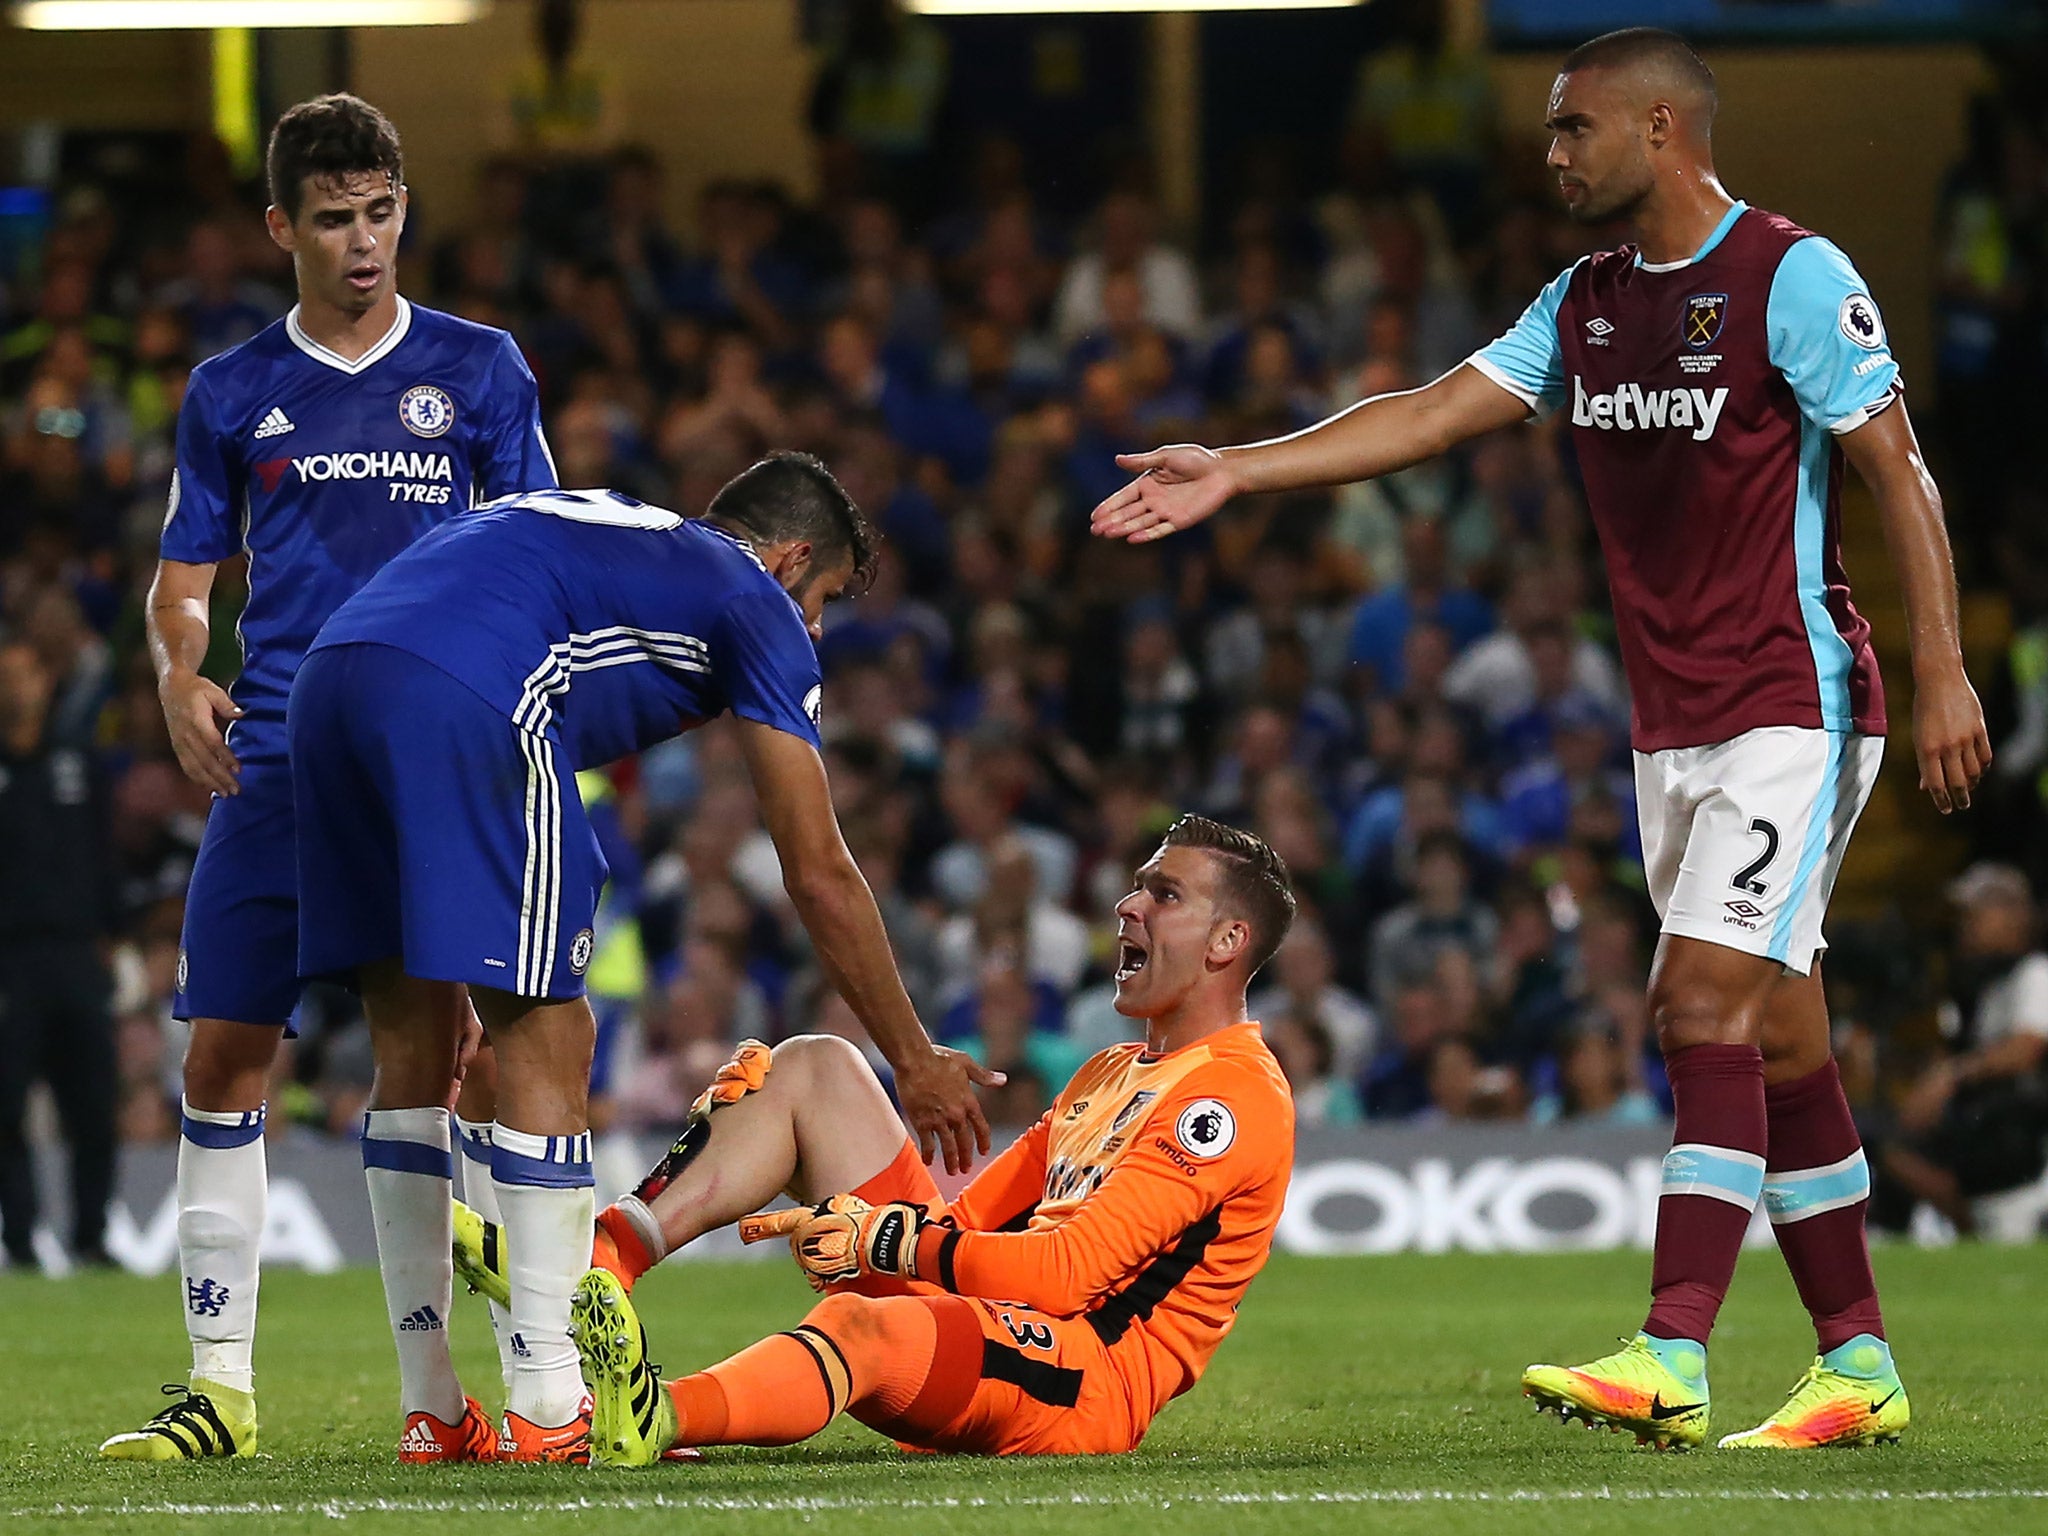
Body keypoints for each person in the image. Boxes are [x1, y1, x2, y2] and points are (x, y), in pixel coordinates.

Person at [1089, 28, 1989, 1452]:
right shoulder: (1584, 305)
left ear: (1658, 131)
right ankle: (1859, 1363)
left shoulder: (1790, 277)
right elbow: (1437, 413)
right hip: (1672, 725)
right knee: (1785, 1038)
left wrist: (1942, 669)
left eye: (1573, 130)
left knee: (1696, 1008)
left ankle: (1674, 1352)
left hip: (1794, 702)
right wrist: (1241, 471)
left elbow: (1900, 471)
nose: (1551, 153)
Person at [285, 458, 998, 1463]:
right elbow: (818, 870)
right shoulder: (752, 595)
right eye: (826, 599)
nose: (818, 632)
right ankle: (549, 1409)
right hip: (473, 684)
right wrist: (914, 1056)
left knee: (420, 1048)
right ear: (790, 559)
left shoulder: (625, 538)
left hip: (332, 679)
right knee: (549, 1033)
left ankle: (433, 1410)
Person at [102, 94, 559, 1464]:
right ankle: (218, 1387)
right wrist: (181, 675)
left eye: (382, 212)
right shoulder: (234, 390)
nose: (364, 243)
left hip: (425, 756)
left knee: (420, 1063)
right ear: (280, 228)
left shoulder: (481, 370)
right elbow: (182, 585)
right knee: (222, 1051)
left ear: (403, 209)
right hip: (285, 749)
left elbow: (534, 557)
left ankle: (434, 1406)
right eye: (334, 218)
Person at [456, 814, 1294, 1465]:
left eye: (1165, 895)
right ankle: (595, 1267)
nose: (1127, 905)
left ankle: (653, 1412)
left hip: (1085, 1380)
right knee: (815, 1067)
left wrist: (882, 1241)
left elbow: (1067, 1273)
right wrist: (854, 1229)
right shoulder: (1109, 1070)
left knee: (861, 1323)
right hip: (1000, 1324)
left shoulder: (1230, 1099)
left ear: (1229, 943)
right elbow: (969, 1234)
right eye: (1139, 886)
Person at [0, 640, 119, 1272]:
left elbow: (105, 859)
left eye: (25, 672)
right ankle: (19, 1240)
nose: (15, 688)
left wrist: (113, 939)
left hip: (78, 954)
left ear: (47, 682)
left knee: (94, 1103)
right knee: (5, 1104)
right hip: (10, 959)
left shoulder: (80, 763)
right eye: (6, 676)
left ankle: (92, 1235)